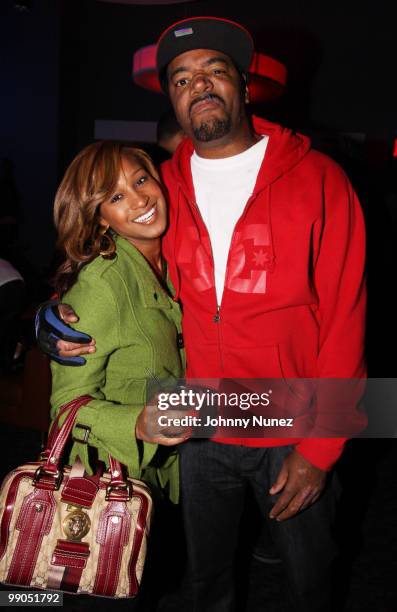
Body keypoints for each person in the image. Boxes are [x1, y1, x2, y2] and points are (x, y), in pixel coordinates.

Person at [36, 16, 367, 612]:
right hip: (196, 418)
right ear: (173, 98)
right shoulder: (160, 188)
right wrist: (49, 318)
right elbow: (106, 264)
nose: (201, 84)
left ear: (243, 82)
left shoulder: (319, 179)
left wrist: (322, 447)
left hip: (291, 418)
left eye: (216, 70)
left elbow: (348, 318)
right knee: (204, 585)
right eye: (183, 78)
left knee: (310, 581)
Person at [48, 141, 186, 503]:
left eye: (140, 181)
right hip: (110, 486)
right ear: (100, 218)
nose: (139, 200)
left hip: (168, 473)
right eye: (116, 197)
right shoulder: (102, 284)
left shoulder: (178, 259)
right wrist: (136, 423)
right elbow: (64, 406)